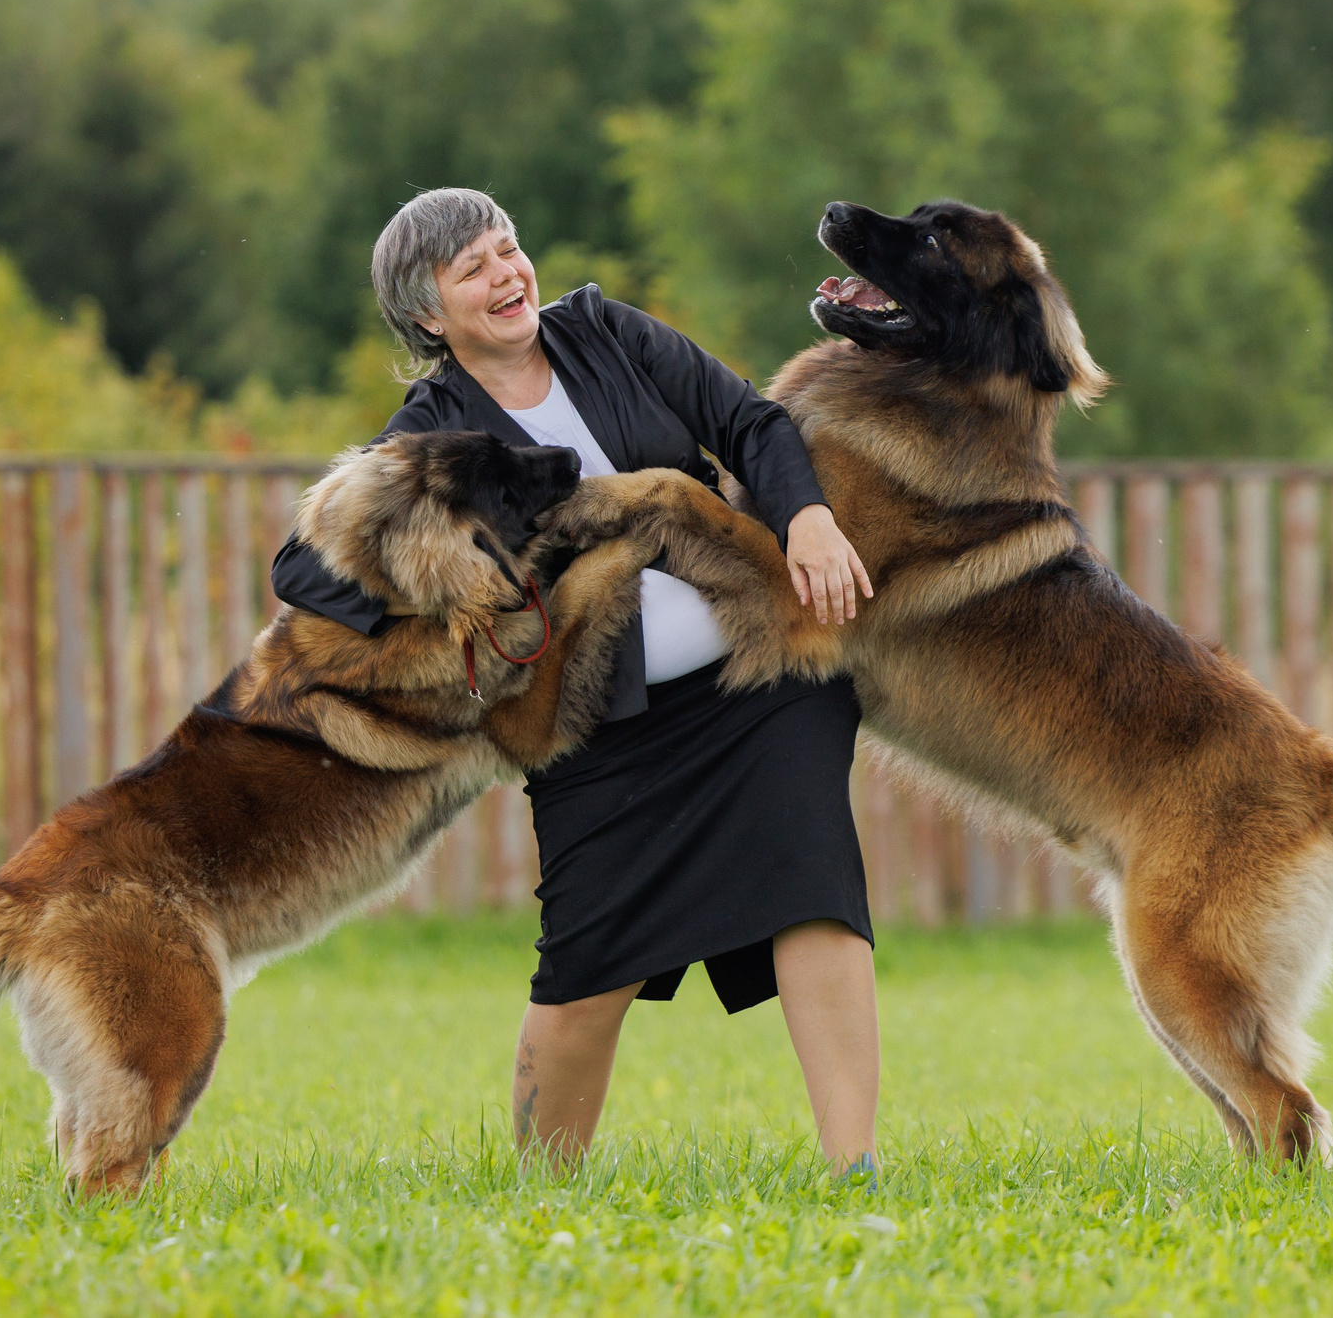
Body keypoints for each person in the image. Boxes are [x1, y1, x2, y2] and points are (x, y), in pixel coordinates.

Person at [269, 188, 881, 1174]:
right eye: (473, 269)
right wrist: (467, 590)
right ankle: (540, 1190)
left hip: (758, 686)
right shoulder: (432, 432)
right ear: (429, 316)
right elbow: (302, 571)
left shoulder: (605, 330)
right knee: (584, 969)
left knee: (814, 892)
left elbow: (753, 424)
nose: (508, 274)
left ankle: (853, 1167)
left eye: (508, 248)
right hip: (598, 732)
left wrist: (805, 516)